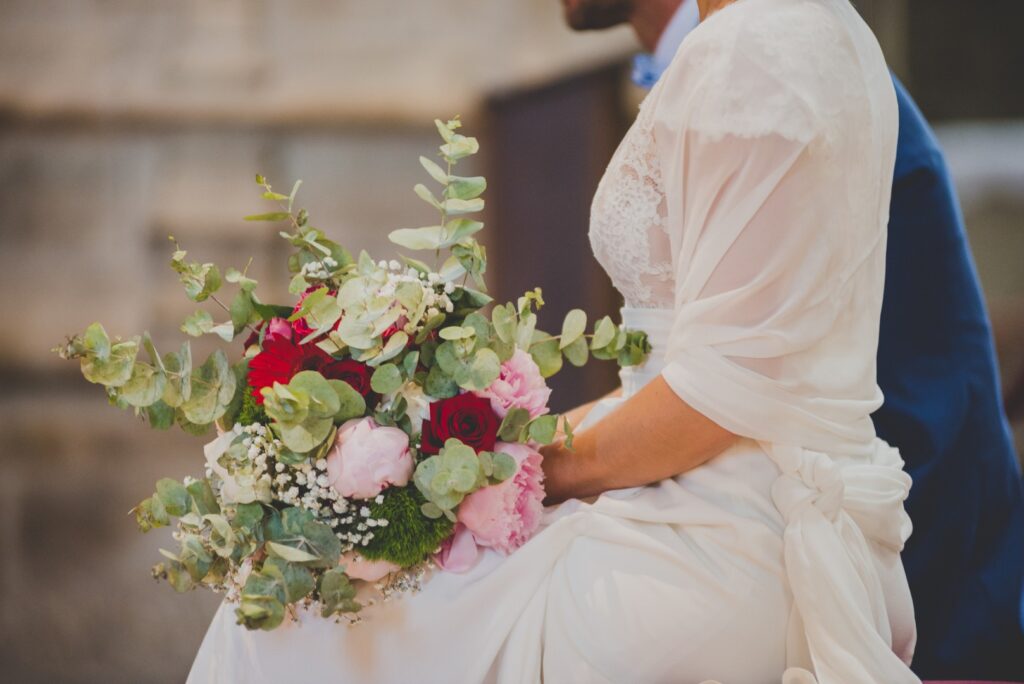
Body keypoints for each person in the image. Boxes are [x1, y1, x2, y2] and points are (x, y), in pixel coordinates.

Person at [189, 1, 919, 680]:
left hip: (721, 544)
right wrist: (485, 449)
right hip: (744, 511)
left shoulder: (750, 49)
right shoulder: (830, 28)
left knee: (281, 623)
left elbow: (718, 399)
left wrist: (493, 483)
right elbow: (692, 372)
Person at [585, 0, 1024, 678]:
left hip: (866, 540)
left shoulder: (771, 60)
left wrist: (536, 468)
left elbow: (925, 363)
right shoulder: (736, 52)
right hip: (718, 494)